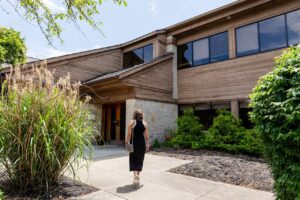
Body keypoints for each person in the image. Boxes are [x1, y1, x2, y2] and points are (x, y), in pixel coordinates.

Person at [125, 109, 150, 188]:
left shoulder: (132, 123)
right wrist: (147, 144)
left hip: (134, 143)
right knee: (140, 159)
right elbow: (146, 136)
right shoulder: (144, 123)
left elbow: (129, 135)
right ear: (142, 115)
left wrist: (126, 142)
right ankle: (138, 176)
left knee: (133, 159)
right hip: (141, 144)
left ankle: (135, 175)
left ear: (134, 115)